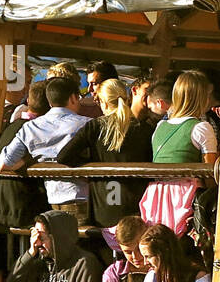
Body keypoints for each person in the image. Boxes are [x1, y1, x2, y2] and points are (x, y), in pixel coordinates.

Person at [56, 76, 152, 247]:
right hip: (137, 207)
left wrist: (91, 161)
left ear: (104, 102)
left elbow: (64, 156)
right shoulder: (143, 128)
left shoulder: (95, 126)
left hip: (105, 207)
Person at [0, 81, 48, 282]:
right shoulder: (38, 128)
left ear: (29, 101)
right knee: (22, 256)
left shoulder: (9, 127)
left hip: (0, 201)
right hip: (25, 202)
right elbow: (9, 161)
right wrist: (32, 162)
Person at [0, 75, 93, 220]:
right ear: (73, 98)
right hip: (82, 196)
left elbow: (4, 163)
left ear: (49, 101)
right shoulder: (87, 124)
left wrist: (32, 160)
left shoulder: (31, 127)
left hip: (52, 198)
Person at [140, 69, 218, 234]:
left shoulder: (160, 126)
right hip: (186, 198)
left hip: (157, 196)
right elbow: (210, 174)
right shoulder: (202, 128)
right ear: (201, 97)